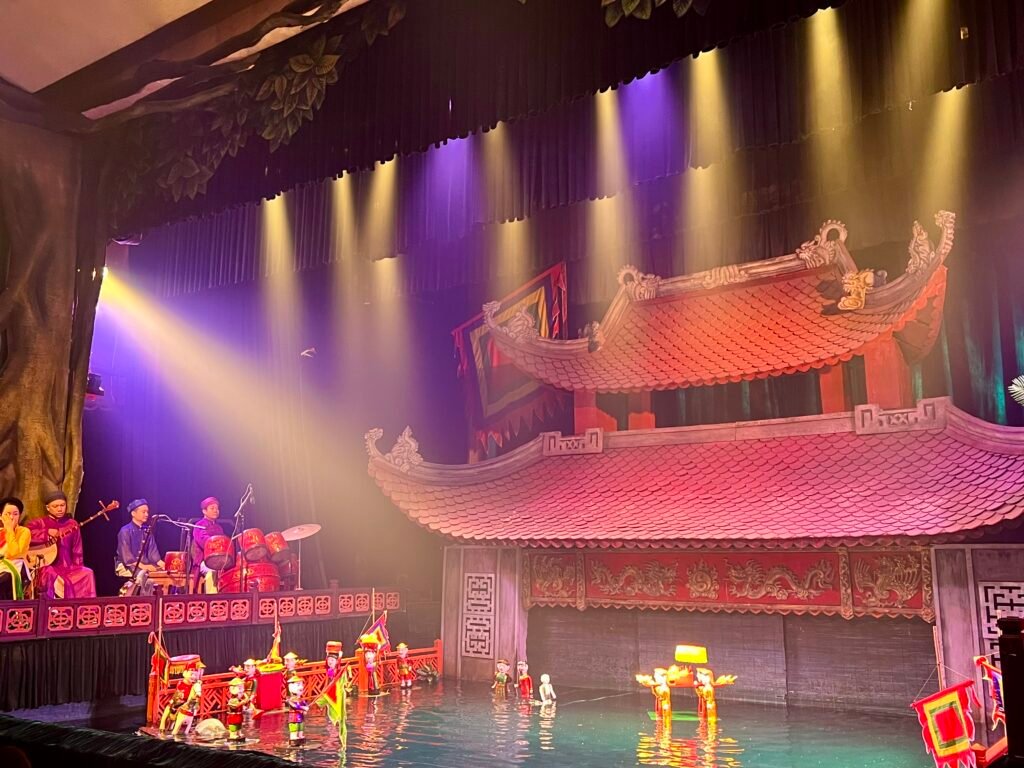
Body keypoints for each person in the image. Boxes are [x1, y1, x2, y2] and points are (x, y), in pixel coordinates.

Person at [26, 490, 96, 599]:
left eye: (62, 505)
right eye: (55, 506)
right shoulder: (40, 523)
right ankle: (50, 606)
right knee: (49, 573)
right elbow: (26, 534)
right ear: (48, 508)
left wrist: (78, 566)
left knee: (87, 573)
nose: (60, 509)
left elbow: (77, 549)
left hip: (68, 567)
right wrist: (46, 532)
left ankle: (84, 607)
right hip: (48, 566)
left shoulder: (71, 524)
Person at [115, 499, 164, 595]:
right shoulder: (125, 531)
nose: (146, 514)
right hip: (127, 565)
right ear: (133, 513)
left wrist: (164, 566)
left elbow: (153, 554)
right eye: (143, 512)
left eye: (147, 512)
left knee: (160, 574)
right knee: (144, 575)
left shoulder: (147, 531)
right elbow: (127, 558)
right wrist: (145, 567)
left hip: (144, 565)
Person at [190, 496, 225, 593]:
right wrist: (218, 545)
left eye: (217, 508)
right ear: (204, 511)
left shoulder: (219, 528)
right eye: (212, 508)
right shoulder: (199, 525)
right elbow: (204, 542)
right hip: (204, 560)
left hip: (219, 559)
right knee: (212, 570)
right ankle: (212, 598)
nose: (216, 511)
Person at [0, 498, 31, 599]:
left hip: (16, 568)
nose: (11, 517)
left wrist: (9, 530)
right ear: (0, 516)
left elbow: (15, 553)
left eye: (15, 514)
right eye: (7, 514)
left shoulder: (24, 532)